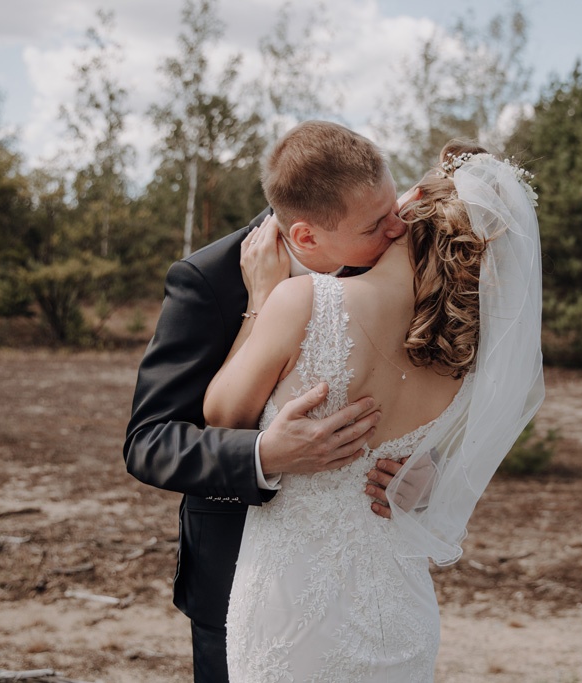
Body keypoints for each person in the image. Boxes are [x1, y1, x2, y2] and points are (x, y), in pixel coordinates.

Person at [204, 139, 545, 681]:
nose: (389, 223)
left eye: (395, 212)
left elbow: (222, 417)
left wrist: (260, 304)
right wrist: (423, 473)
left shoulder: (299, 302)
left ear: (410, 217)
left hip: (292, 604)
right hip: (398, 605)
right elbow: (435, 455)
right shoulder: (458, 353)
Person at [123, 121, 411, 683]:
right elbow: (148, 441)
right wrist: (264, 455)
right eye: (377, 224)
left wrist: (417, 470)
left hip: (364, 571)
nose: (399, 230)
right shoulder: (207, 280)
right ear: (305, 238)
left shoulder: (396, 258)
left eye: (393, 205)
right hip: (239, 575)